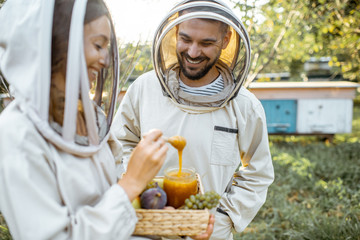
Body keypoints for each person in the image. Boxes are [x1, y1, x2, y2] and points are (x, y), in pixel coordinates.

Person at [0, 0, 170, 239]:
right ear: (56, 43)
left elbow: (112, 214)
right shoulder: (16, 134)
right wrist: (131, 182)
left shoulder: (91, 118)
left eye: (106, 47)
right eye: (98, 45)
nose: (105, 60)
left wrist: (170, 227)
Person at [112, 0, 275, 239]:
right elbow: (119, 145)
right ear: (175, 32)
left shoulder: (245, 106)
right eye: (186, 39)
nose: (193, 52)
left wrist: (223, 216)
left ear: (226, 40)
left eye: (206, 43)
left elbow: (258, 172)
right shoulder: (144, 88)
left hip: (208, 232)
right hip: (144, 228)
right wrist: (135, 187)